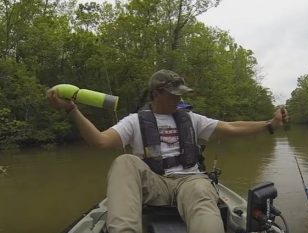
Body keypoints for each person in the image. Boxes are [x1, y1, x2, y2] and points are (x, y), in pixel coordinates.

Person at [47, 69, 288, 233]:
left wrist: (269, 125)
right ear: (156, 94)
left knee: (202, 189)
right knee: (125, 162)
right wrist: (72, 110)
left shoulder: (191, 118)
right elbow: (100, 141)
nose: (179, 98)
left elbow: (231, 127)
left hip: (189, 181)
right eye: (174, 94)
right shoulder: (134, 121)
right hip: (155, 185)